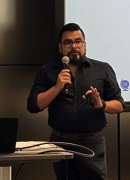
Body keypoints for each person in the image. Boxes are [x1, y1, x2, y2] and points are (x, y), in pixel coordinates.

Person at [27, 23, 125, 180]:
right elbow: (33, 106)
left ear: (85, 45)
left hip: (92, 142)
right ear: (61, 47)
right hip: (60, 142)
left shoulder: (103, 69)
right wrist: (57, 87)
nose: (74, 46)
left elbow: (119, 105)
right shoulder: (48, 70)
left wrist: (102, 104)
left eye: (78, 41)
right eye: (68, 42)